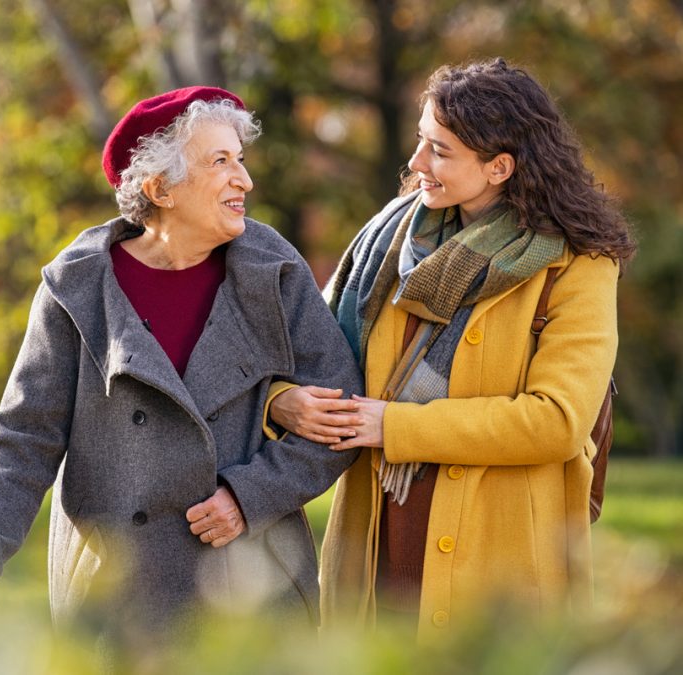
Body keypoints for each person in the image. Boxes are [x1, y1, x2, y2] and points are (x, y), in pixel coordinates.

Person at [0, 86, 363, 650]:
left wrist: (250, 495)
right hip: (118, 593)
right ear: (160, 188)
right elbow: (26, 436)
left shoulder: (274, 270)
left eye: (240, 159)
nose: (244, 180)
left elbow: (340, 414)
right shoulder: (77, 287)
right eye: (220, 162)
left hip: (252, 587)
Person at [267, 58, 635, 640]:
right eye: (420, 141)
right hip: (375, 545)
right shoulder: (387, 244)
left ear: (499, 167)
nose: (416, 163)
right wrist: (282, 401)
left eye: (439, 150)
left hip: (500, 564)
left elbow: (558, 421)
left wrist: (396, 426)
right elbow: (304, 356)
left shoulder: (578, 265)